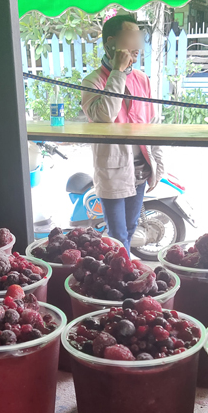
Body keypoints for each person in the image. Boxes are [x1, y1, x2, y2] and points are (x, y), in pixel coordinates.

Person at [81, 14, 164, 252]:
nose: (137, 45)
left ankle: (124, 268)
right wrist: (117, 72)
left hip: (141, 168)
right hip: (113, 171)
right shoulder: (92, 81)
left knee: (130, 227)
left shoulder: (142, 79)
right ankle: (123, 270)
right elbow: (104, 115)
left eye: (139, 37)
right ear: (110, 43)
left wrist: (157, 164)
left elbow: (152, 123)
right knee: (117, 235)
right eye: (130, 37)